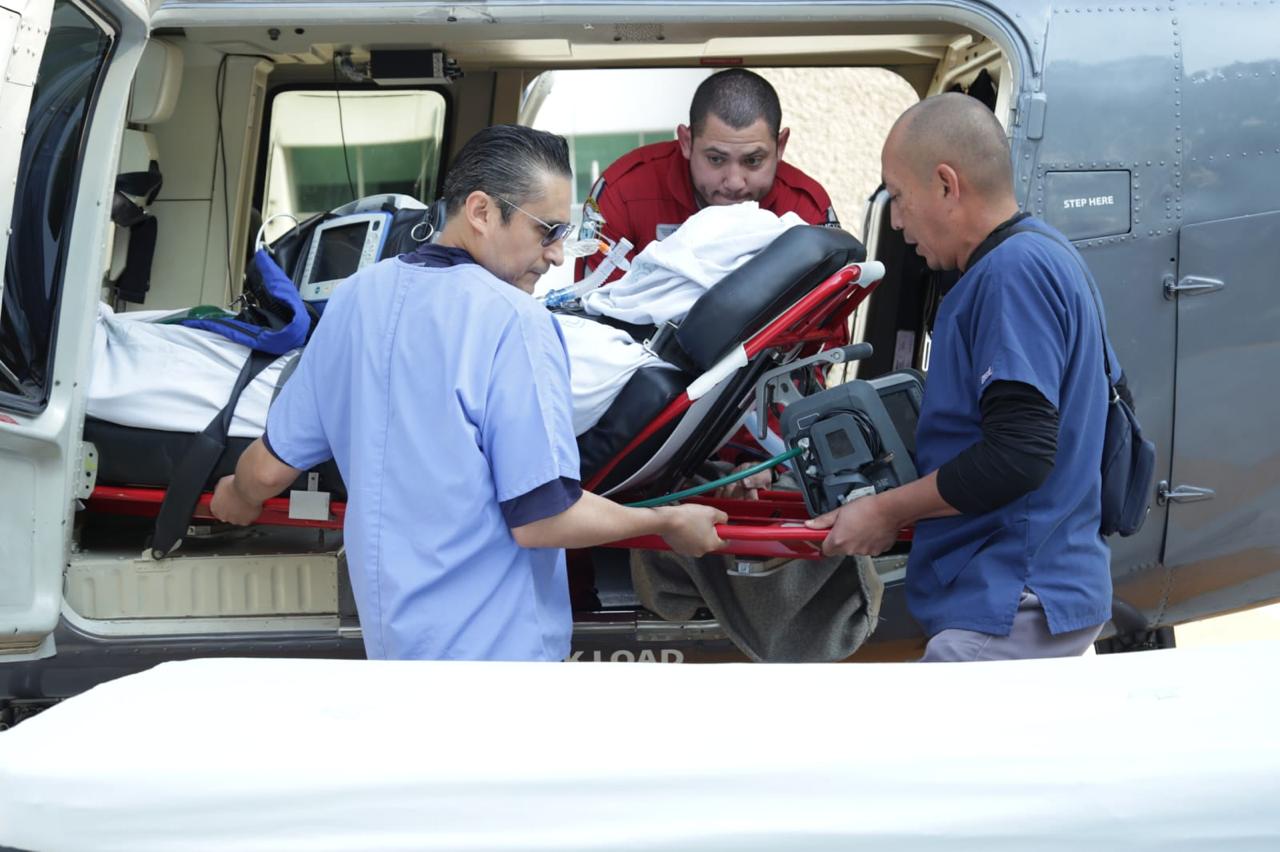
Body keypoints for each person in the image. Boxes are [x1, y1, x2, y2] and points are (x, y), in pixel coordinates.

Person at [210, 125, 727, 662]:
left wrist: (235, 497)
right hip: (496, 667)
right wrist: (667, 523)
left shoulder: (355, 298)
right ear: (481, 212)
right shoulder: (515, 323)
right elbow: (544, 518)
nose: (555, 256)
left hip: (395, 656)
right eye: (547, 231)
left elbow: (268, 470)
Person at [807, 93, 1113, 662]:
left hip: (1009, 606)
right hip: (1031, 597)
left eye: (899, 198)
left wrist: (884, 511)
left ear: (947, 184)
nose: (896, 222)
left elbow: (1018, 454)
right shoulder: (1046, 252)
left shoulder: (1011, 273)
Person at [576, 68, 839, 282]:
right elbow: (595, 317)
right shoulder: (623, 192)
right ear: (686, 142)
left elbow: (829, 337)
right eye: (716, 159)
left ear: (780, 147)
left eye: (753, 160)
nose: (735, 182)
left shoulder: (807, 208)